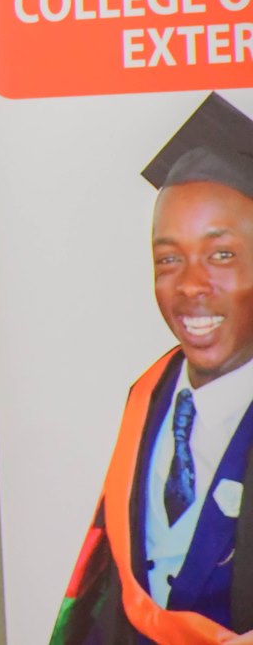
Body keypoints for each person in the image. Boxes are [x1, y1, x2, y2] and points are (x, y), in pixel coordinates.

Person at [53, 94, 253, 644]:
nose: (190, 285)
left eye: (221, 255)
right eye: (169, 259)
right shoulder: (149, 396)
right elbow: (111, 590)